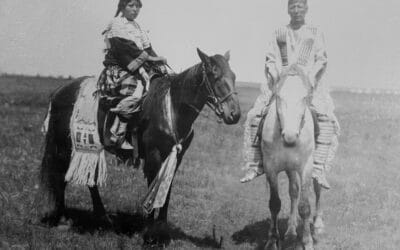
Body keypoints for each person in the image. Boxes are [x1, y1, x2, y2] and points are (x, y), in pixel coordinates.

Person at [241, 0, 340, 189]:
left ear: (306, 9)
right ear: (288, 9)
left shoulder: (314, 33)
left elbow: (321, 59)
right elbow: (270, 58)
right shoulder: (280, 32)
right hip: (282, 84)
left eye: (300, 6)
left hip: (308, 85)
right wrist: (276, 75)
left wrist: (309, 78)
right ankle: (255, 164)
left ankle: (318, 167)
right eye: (293, 6)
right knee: (256, 115)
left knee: (326, 118)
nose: (296, 11)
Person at [100, 0, 168, 149]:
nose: (135, 9)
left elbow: (148, 49)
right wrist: (151, 60)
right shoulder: (117, 23)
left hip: (136, 66)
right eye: (131, 5)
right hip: (118, 66)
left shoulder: (138, 27)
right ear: (122, 7)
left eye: (138, 6)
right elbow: (127, 49)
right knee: (135, 90)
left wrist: (161, 65)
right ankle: (118, 133)